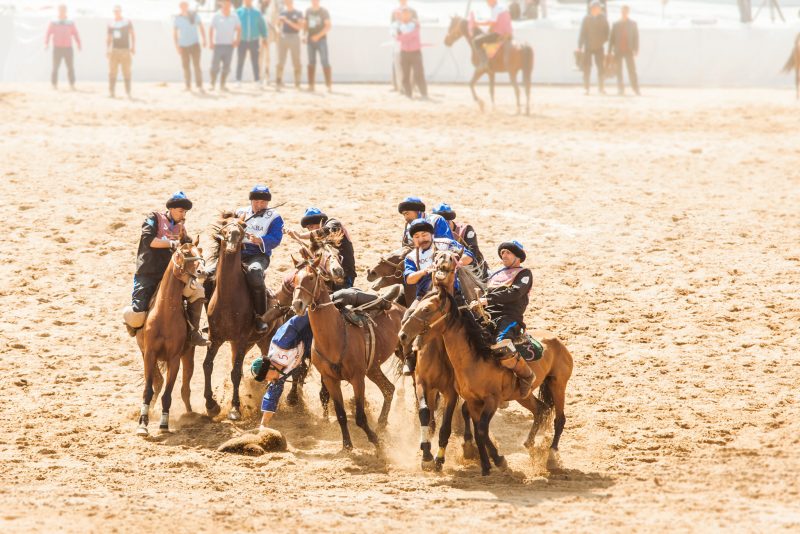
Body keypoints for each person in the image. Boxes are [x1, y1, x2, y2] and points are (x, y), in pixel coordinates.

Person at [123, 192, 209, 346]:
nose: (183, 214)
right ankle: (134, 327)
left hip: (172, 275)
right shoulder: (154, 218)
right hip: (148, 272)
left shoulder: (181, 227)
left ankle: (193, 332)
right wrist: (171, 243)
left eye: (185, 212)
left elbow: (186, 246)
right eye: (181, 211)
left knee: (198, 291)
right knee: (137, 314)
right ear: (171, 209)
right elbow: (148, 240)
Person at [402, 218, 474, 374]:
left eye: (424, 235)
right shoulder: (411, 257)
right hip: (425, 296)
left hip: (452, 294)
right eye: (417, 237)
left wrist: (455, 262)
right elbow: (409, 279)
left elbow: (469, 256)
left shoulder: (446, 244)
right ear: (413, 239)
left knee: (473, 318)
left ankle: (483, 348)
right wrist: (425, 271)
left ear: (431, 234)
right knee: (407, 317)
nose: (421, 239)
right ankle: (409, 357)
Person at [477, 240, 534, 397]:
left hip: (510, 317)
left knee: (501, 344)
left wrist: (488, 299)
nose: (504, 255)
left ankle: (527, 375)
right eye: (502, 252)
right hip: (487, 315)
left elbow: (515, 292)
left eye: (508, 252)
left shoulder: (524, 273)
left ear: (518, 257)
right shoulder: (495, 274)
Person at [234, 185, 284, 334]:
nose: (259, 205)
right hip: (237, 253)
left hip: (258, 255)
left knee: (254, 271)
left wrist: (260, 240)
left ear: (267, 203)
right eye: (256, 201)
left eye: (263, 202)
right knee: (210, 272)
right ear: (251, 201)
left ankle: (260, 317)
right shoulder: (240, 212)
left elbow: (276, 238)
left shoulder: (275, 217)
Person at [251, 313, 313, 431]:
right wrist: (263, 425)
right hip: (309, 346)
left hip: (313, 328)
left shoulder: (282, 342)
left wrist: (314, 313)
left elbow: (296, 322)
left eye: (266, 377)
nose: (267, 380)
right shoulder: (277, 375)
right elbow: (271, 396)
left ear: (270, 367)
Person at [293, 207, 356, 290]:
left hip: (344, 274)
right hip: (328, 277)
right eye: (308, 229)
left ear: (319, 222)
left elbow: (324, 230)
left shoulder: (333, 223)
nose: (310, 230)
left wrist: (300, 236)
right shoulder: (319, 241)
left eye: (311, 227)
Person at [431, 203, 487, 279]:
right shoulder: (431, 232)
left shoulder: (465, 230)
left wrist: (453, 264)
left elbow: (473, 252)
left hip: (469, 267)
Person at [45, 4, 81, 90]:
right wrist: (46, 43)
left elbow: (75, 33)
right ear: (58, 10)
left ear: (66, 11)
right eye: (61, 10)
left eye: (63, 10)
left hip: (68, 48)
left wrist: (78, 43)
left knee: (70, 67)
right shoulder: (54, 22)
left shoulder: (70, 22)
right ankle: (54, 84)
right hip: (57, 48)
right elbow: (48, 33)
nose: (62, 11)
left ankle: (72, 84)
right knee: (55, 67)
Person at [174, 1, 207, 92]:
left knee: (197, 66)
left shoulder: (194, 15)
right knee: (185, 67)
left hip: (195, 44)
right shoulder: (177, 18)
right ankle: (187, 86)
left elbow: (201, 27)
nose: (183, 7)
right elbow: (175, 33)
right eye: (182, 6)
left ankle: (199, 85)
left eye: (185, 5)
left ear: (188, 6)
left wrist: (204, 39)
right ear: (180, 7)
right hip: (183, 46)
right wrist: (177, 46)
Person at [578, 1, 609, 95]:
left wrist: (601, 41)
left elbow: (607, 32)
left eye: (598, 7)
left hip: (599, 47)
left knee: (601, 68)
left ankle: (601, 88)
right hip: (588, 46)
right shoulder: (586, 19)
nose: (597, 9)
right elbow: (582, 33)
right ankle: (586, 88)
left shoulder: (603, 19)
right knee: (587, 68)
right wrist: (580, 46)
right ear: (591, 9)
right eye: (594, 7)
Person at [395, 7, 427, 99]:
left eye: (407, 14)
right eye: (403, 14)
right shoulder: (399, 25)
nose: (405, 15)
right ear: (401, 15)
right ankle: (408, 94)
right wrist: (405, 37)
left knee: (418, 74)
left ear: (410, 14)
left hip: (415, 52)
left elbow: (414, 35)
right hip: (404, 52)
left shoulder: (415, 24)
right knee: (405, 75)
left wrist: (404, 37)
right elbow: (397, 37)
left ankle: (424, 93)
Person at [209, 0, 241, 91]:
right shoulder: (216, 15)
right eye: (225, 3)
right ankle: (212, 84)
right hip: (218, 45)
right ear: (222, 4)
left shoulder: (234, 16)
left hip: (229, 46)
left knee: (226, 67)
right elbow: (211, 29)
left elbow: (239, 28)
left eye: (228, 3)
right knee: (215, 66)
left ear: (230, 4)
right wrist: (211, 41)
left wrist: (237, 40)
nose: (226, 4)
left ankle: (222, 85)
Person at [473, 0, 514, 71]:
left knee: (476, 41)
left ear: (492, 1)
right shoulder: (503, 8)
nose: (487, 4)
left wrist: (478, 23)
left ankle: (484, 62)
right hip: (508, 33)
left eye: (488, 2)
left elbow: (492, 23)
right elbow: (495, 24)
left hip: (498, 34)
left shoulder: (495, 9)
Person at [608, 5, 639, 96]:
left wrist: (636, 49)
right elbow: (611, 38)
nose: (624, 13)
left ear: (628, 12)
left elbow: (636, 37)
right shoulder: (616, 24)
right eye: (622, 11)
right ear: (621, 12)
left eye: (625, 11)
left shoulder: (633, 24)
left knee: (632, 70)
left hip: (629, 50)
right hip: (618, 50)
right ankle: (620, 89)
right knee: (619, 70)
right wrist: (609, 51)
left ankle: (635, 89)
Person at [235, 0, 267, 85]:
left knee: (255, 61)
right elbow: (234, 25)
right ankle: (238, 80)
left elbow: (262, 25)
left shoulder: (257, 12)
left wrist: (264, 37)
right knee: (240, 61)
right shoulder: (238, 12)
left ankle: (257, 80)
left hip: (254, 40)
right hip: (242, 40)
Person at [107, 5, 135, 98]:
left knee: (126, 72)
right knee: (112, 72)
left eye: (118, 11)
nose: (116, 12)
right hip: (114, 50)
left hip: (125, 50)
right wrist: (107, 49)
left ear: (120, 11)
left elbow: (132, 34)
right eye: (115, 11)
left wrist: (133, 46)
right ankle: (111, 92)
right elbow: (109, 37)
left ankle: (128, 92)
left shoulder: (127, 22)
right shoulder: (111, 23)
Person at [390, 0, 418, 93]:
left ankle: (412, 85)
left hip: (410, 44)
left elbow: (415, 26)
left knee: (411, 66)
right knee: (396, 64)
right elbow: (392, 27)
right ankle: (397, 86)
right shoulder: (394, 12)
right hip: (398, 44)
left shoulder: (413, 11)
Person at [304, 0, 332, 92]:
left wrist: (318, 36)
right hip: (310, 40)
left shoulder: (324, 11)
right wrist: (304, 35)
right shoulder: (308, 11)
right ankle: (311, 85)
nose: (314, 1)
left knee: (325, 61)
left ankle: (328, 85)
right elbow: (306, 25)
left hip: (321, 40)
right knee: (311, 62)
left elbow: (328, 26)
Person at [276, 0, 304, 89]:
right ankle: (278, 80)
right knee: (280, 60)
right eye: (286, 1)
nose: (287, 2)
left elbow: (299, 27)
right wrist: (278, 30)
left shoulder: (298, 13)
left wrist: (287, 21)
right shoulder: (282, 13)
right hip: (283, 37)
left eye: (289, 1)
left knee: (296, 60)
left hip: (294, 37)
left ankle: (297, 82)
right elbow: (277, 25)